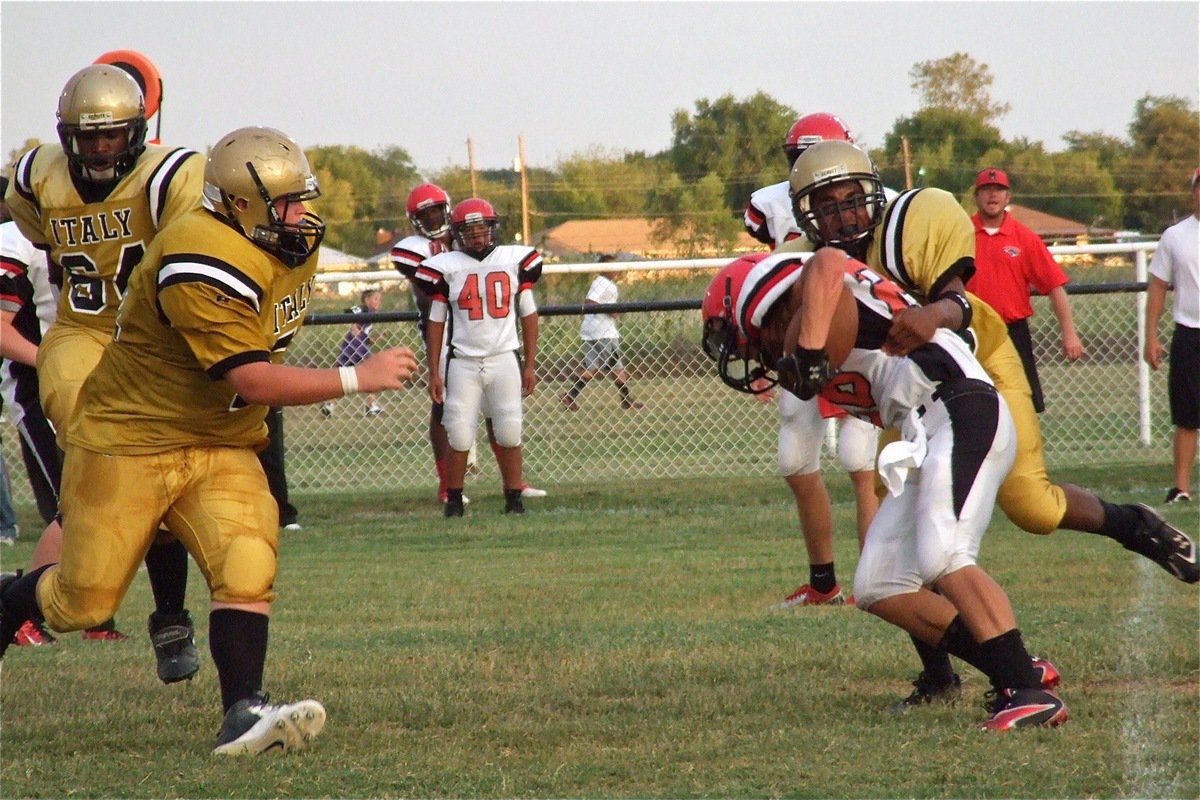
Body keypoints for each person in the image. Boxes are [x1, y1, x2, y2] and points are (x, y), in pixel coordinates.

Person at [0, 125, 420, 754]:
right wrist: (359, 376)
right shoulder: (199, 255)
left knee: (249, 560)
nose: (303, 216)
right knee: (80, 602)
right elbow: (251, 378)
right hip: (131, 438)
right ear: (243, 206)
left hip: (217, 438)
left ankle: (244, 710)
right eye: (287, 204)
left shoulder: (281, 241)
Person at [785, 140, 1197, 704]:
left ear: (871, 191)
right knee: (895, 517)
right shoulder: (813, 258)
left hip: (976, 361)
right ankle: (941, 673)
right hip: (910, 389)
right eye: (825, 206)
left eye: (849, 200)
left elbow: (958, 304)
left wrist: (929, 314)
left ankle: (1134, 524)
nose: (841, 215)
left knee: (1030, 505)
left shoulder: (913, 218)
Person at [705, 243, 1068, 730]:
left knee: (945, 554)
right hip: (925, 431)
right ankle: (1018, 667)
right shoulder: (806, 320)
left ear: (752, 302)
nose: (747, 352)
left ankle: (1027, 695)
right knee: (879, 585)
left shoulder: (819, 297)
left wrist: (810, 350)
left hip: (959, 404)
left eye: (737, 337)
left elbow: (828, 261)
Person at [4, 64, 205, 667]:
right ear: (64, 134)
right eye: (85, 136)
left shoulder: (170, 176)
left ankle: (161, 614)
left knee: (141, 489)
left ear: (137, 131)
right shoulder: (38, 177)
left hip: (154, 350)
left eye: (110, 135)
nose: (96, 148)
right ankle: (151, 615)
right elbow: (39, 235)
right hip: (84, 343)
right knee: (106, 488)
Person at [738, 113, 881, 607]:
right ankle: (825, 582)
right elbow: (769, 280)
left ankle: (876, 579)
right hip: (800, 337)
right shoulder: (769, 202)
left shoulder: (869, 191)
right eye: (797, 157)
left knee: (861, 461)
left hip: (861, 330)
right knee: (795, 459)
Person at [392, 184, 545, 504]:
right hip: (449, 333)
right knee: (446, 410)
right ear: (414, 220)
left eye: (437, 211)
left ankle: (512, 482)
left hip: (488, 333)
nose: (434, 219)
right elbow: (426, 285)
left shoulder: (472, 243)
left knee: (499, 409)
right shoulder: (419, 249)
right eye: (426, 214)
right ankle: (447, 486)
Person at [968, 167, 1084, 412]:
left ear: (1008, 197)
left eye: (999, 190)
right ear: (976, 196)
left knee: (1020, 404)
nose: (992, 196)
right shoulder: (961, 234)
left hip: (1012, 331)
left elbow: (1054, 287)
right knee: (973, 404)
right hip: (971, 331)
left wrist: (1069, 333)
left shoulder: (1024, 238)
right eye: (986, 190)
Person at [1143, 168, 1200, 505]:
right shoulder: (1175, 236)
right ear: (1192, 192)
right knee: (1187, 415)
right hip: (1189, 333)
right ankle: (1182, 488)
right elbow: (1159, 286)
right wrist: (1151, 336)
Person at [560, 254, 644, 412]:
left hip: (591, 329)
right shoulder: (604, 283)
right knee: (617, 367)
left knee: (591, 367)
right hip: (603, 332)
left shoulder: (601, 283)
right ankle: (626, 401)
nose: (615, 270)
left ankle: (570, 396)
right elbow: (590, 302)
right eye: (611, 267)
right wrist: (611, 311)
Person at [321, 287, 384, 417]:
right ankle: (371, 405)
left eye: (379, 300)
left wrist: (378, 337)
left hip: (350, 347)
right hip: (355, 347)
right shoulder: (365, 310)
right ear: (367, 300)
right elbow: (348, 312)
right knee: (374, 371)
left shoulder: (370, 315)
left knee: (340, 377)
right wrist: (355, 326)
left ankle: (329, 405)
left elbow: (365, 339)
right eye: (375, 299)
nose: (378, 302)